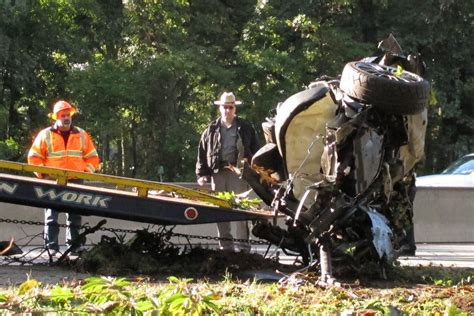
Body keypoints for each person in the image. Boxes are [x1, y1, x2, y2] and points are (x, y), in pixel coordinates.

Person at [28, 100, 100, 256]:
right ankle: (51, 248)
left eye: (68, 115)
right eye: (63, 115)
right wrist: (43, 174)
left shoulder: (81, 134)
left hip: (75, 180)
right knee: (51, 216)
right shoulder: (46, 134)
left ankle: (74, 247)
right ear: (56, 117)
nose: (66, 118)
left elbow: (93, 158)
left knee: (74, 215)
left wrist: (85, 171)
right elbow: (34, 157)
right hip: (53, 180)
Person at [196, 92, 259, 252]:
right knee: (220, 210)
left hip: (239, 172)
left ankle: (243, 247)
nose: (227, 110)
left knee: (240, 209)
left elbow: (255, 150)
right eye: (224, 107)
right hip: (218, 172)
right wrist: (202, 174)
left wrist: (257, 170)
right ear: (220, 108)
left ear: (234, 108)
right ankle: (225, 247)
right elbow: (202, 152)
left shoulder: (245, 127)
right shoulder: (211, 129)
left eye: (230, 107)